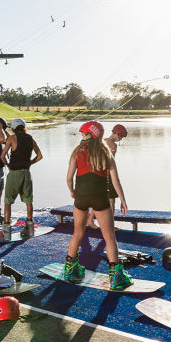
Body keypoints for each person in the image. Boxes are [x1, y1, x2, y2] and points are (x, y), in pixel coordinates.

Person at [63, 121, 132, 290]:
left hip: (81, 198)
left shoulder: (77, 151)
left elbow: (69, 178)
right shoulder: (105, 151)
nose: (82, 136)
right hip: (100, 199)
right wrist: (122, 200)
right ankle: (116, 277)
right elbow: (115, 180)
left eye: (84, 134)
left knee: (77, 233)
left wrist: (72, 192)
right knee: (109, 237)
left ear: (89, 134)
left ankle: (71, 269)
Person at [0, 118, 43, 240]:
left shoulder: (12, 138)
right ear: (24, 127)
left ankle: (6, 231)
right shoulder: (31, 138)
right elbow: (39, 156)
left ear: (13, 129)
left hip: (14, 173)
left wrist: (8, 166)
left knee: (8, 201)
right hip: (27, 173)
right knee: (28, 200)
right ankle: (29, 228)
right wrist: (29, 163)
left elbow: (2, 156)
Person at [86, 123, 127, 230]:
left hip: (98, 173)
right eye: (121, 137)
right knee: (111, 201)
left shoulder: (102, 141)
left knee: (101, 199)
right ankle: (110, 225)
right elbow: (111, 162)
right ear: (117, 134)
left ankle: (90, 221)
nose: (120, 139)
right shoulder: (113, 146)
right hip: (108, 175)